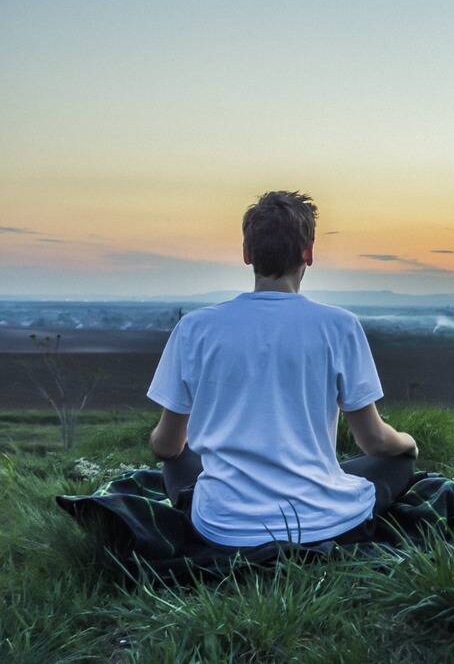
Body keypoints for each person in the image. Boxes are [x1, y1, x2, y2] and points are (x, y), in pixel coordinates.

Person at [145, 191, 418, 548]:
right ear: (308, 253)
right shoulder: (340, 326)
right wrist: (408, 443)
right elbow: (374, 442)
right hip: (322, 522)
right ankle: (323, 493)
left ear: (247, 254)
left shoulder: (194, 328)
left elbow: (165, 446)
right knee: (397, 463)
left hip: (223, 527)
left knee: (180, 457)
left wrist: (178, 447)